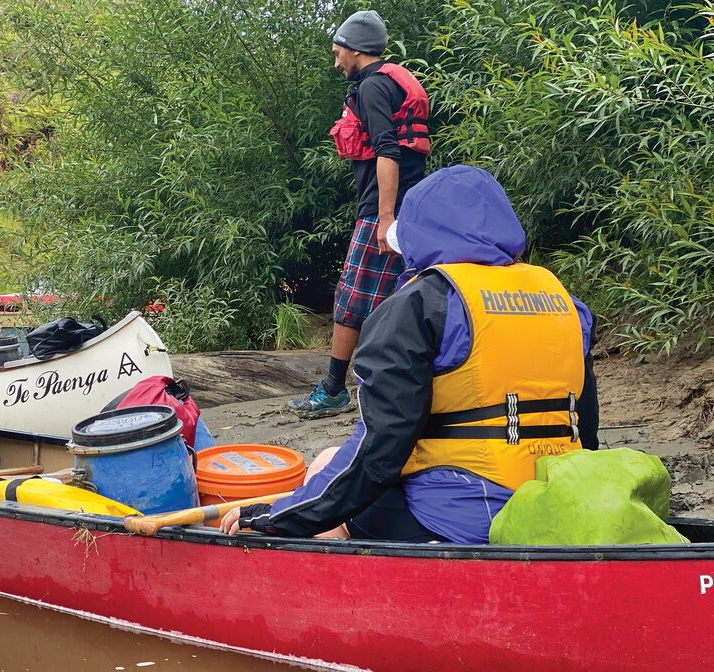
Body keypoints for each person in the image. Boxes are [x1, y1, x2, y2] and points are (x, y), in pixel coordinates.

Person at [224, 165, 600, 543]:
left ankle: (352, 592)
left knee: (325, 466)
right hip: (552, 501)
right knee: (337, 472)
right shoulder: (567, 304)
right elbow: (586, 431)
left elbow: (378, 455)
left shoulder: (421, 304)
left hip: (464, 519)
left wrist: (277, 515)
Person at [289, 9, 430, 419]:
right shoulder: (392, 82)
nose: (336, 63)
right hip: (414, 208)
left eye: (338, 53)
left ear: (356, 50)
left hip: (384, 212)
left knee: (351, 298)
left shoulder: (371, 88)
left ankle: (334, 390)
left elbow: (387, 151)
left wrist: (385, 219)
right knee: (398, 301)